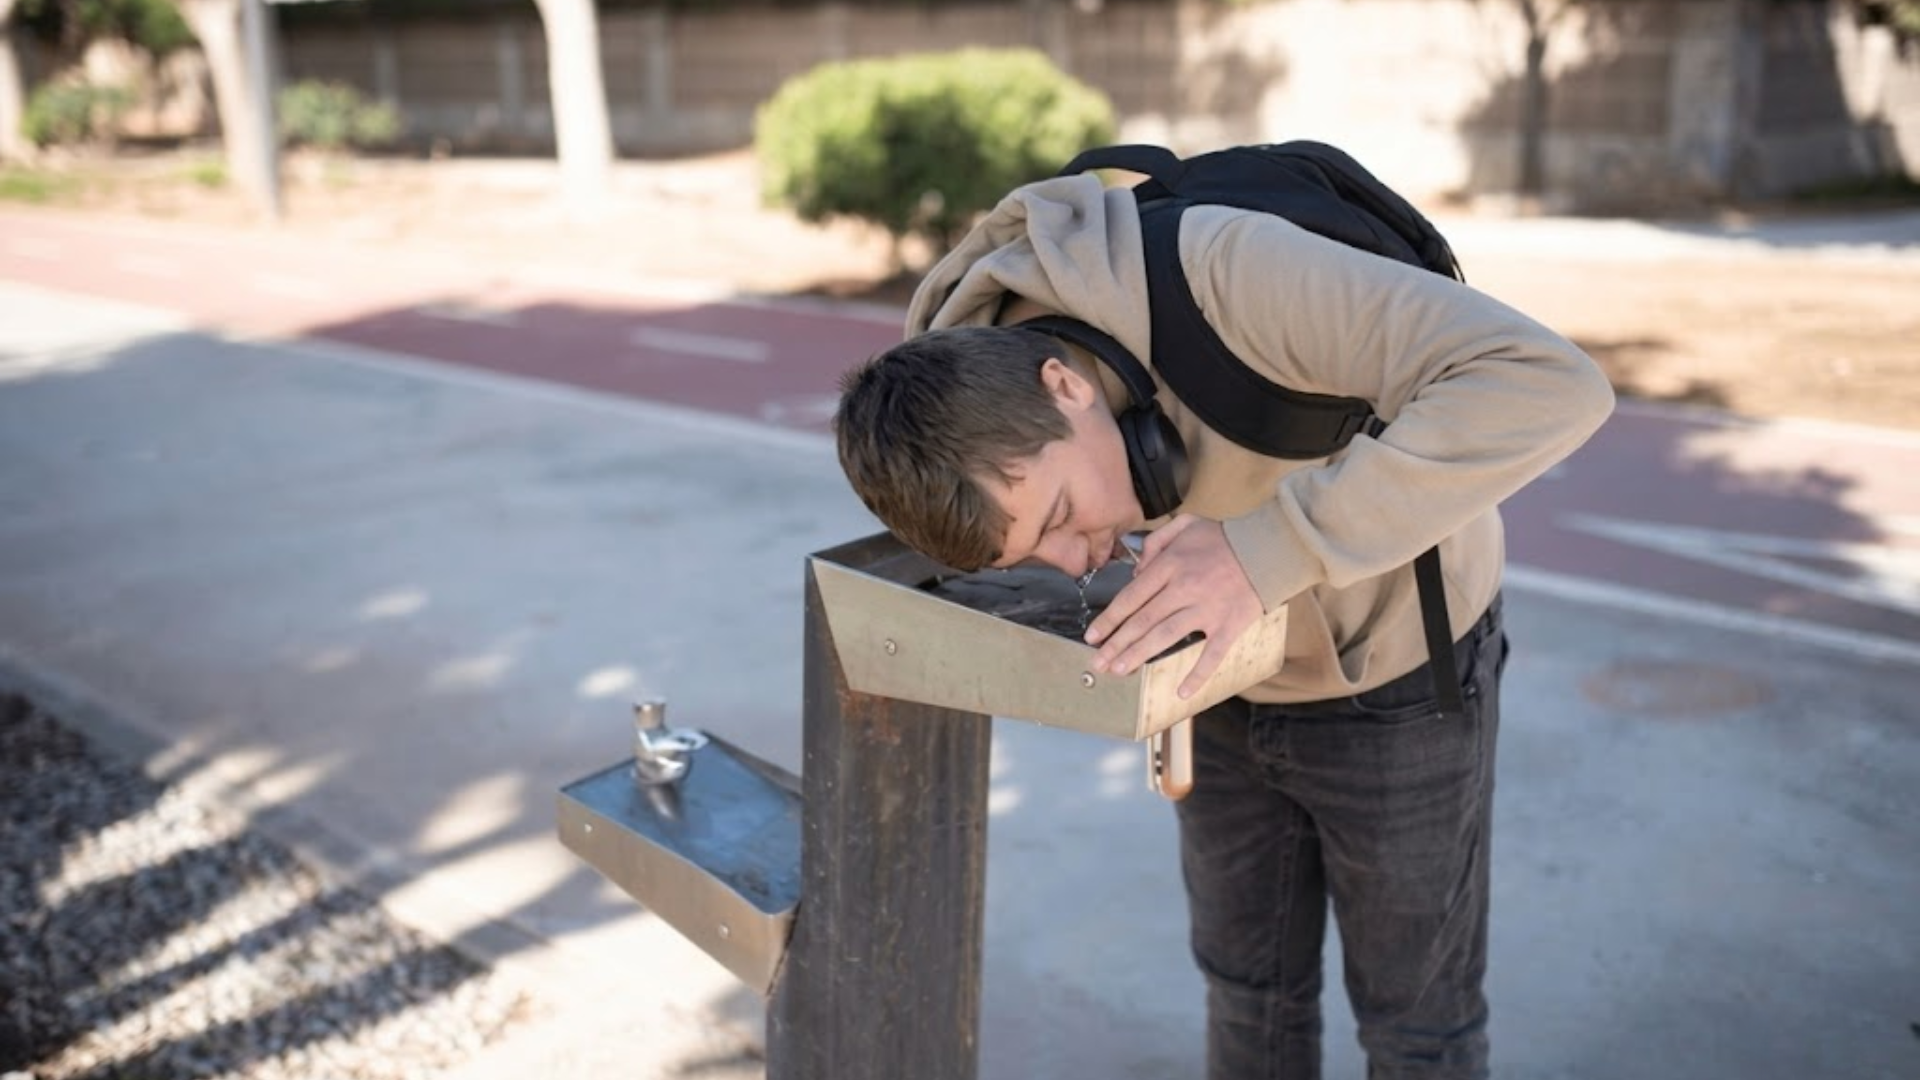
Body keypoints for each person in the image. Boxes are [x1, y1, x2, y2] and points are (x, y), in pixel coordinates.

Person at [832, 164, 1615, 1080]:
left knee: (1417, 1023)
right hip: (1224, 681)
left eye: (1057, 520)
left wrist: (1270, 548)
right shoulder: (950, 371)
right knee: (1247, 993)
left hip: (1398, 666)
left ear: (1064, 385)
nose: (1083, 562)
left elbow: (1552, 380)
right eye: (1034, 555)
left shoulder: (1233, 280)